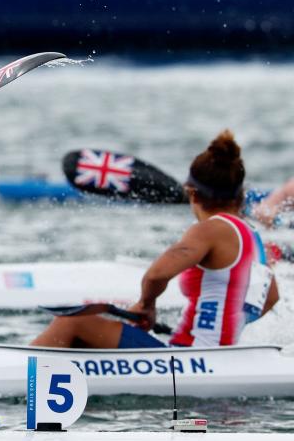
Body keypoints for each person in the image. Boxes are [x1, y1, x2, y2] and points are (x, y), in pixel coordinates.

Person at [32, 130, 279, 349]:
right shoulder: (252, 237)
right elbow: (270, 298)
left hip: (189, 354)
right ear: (240, 195)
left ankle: (16, 371)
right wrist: (226, 328)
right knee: (84, 341)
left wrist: (146, 304)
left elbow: (156, 274)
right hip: (212, 355)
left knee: (71, 323)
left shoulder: (209, 229)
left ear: (192, 192)